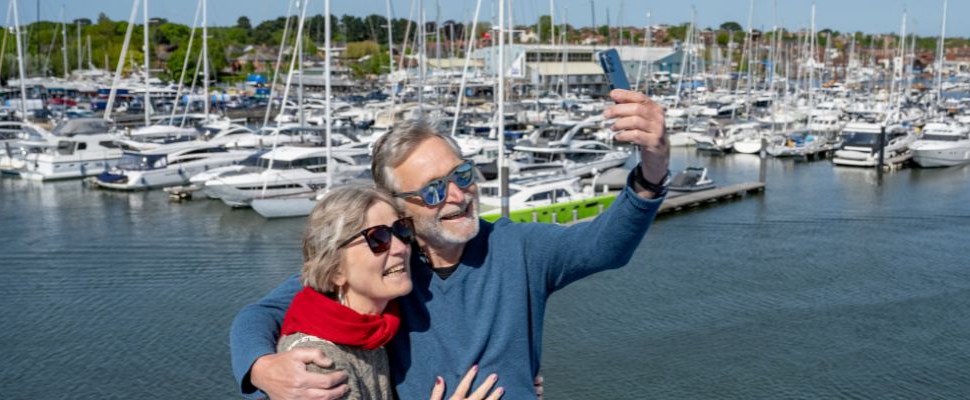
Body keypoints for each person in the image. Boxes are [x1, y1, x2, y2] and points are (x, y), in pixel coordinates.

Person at [231, 89, 669, 399]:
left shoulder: (518, 247)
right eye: (434, 190)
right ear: (399, 208)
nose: (458, 196)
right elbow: (261, 314)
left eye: (461, 176)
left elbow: (604, 246)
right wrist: (261, 369)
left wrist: (652, 169)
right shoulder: (388, 267)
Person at [277, 186, 502, 400]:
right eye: (378, 238)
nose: (400, 247)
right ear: (335, 269)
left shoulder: (380, 327)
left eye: (402, 230)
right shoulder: (319, 364)